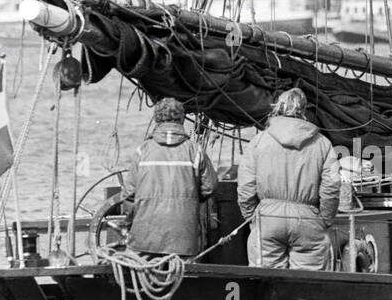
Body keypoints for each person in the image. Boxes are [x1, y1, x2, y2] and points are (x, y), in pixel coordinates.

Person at [238, 88, 341, 270]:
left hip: (268, 217)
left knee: (265, 282)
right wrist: (324, 219)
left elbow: (246, 185)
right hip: (308, 220)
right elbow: (331, 186)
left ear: (278, 107)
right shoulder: (323, 144)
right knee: (306, 284)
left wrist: (252, 216)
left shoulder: (258, 141)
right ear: (303, 109)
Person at [122, 97, 218, 257]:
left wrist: (129, 222)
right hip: (184, 239)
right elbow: (210, 186)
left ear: (157, 119)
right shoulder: (195, 151)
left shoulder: (143, 151)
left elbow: (129, 194)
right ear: (181, 119)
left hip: (144, 239)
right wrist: (192, 199)